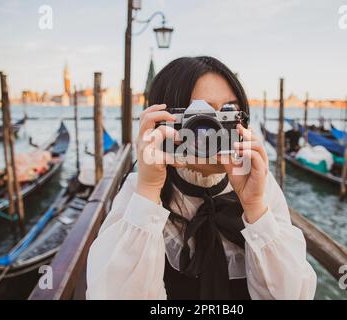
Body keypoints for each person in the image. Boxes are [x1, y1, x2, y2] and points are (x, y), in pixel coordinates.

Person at [86, 56, 317, 300]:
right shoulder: (140, 190)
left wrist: (255, 208)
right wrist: (149, 189)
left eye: (228, 111)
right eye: (201, 116)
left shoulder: (260, 186)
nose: (213, 131)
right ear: (165, 123)